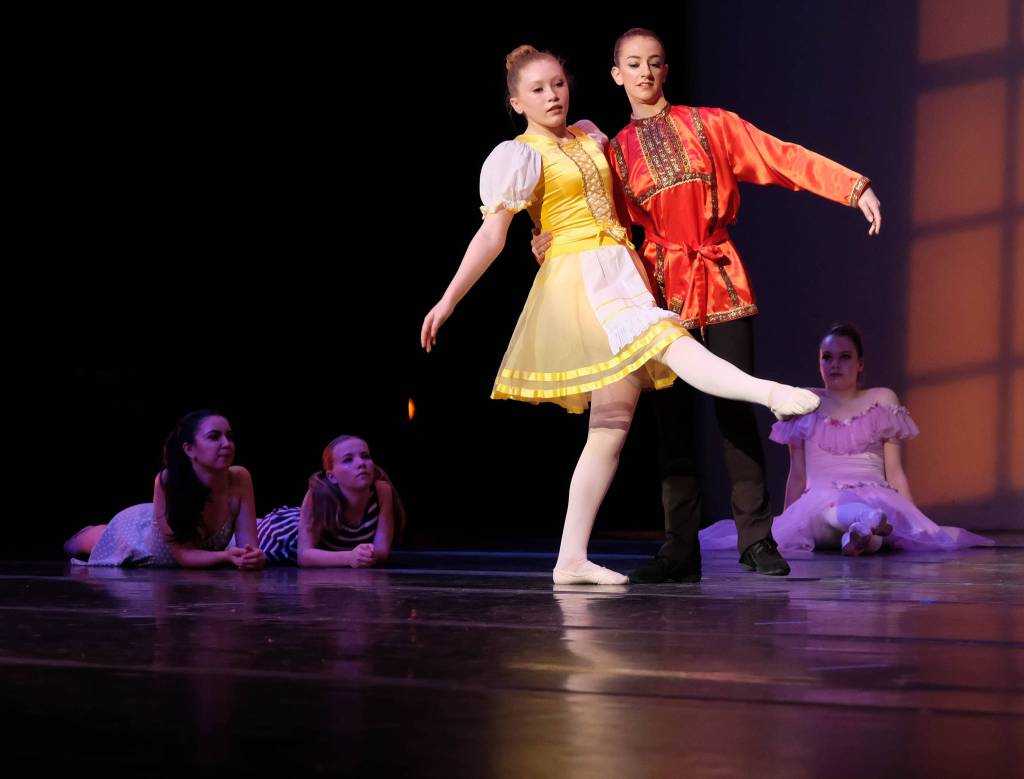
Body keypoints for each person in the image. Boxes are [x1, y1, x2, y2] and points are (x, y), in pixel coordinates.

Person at [420, 45, 820, 585]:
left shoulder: (589, 133)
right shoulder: (517, 156)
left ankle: (570, 559)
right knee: (669, 342)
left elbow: (628, 195)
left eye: (558, 84)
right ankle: (771, 394)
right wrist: (448, 300)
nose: (552, 96)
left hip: (620, 266)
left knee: (611, 426)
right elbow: (493, 234)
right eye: (537, 90)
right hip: (583, 278)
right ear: (516, 102)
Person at [533, 28, 882, 581]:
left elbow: (779, 155)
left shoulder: (709, 125)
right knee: (671, 423)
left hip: (719, 277)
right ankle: (678, 548)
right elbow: (600, 222)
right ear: (616, 74)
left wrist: (851, 187)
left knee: (734, 409)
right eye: (633, 63)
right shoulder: (613, 152)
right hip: (658, 287)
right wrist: (549, 241)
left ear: (664, 70)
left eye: (654, 62)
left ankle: (756, 540)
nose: (645, 72)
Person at [699, 323, 994, 554]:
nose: (835, 364)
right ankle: (864, 524)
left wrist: (916, 521)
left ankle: (859, 537)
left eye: (844, 357)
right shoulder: (805, 401)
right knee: (831, 518)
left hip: (877, 493)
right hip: (821, 501)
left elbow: (895, 472)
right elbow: (798, 474)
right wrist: (786, 524)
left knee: (881, 529)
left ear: (860, 363)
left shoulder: (882, 399)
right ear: (819, 363)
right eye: (827, 357)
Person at [63, 409, 266, 569]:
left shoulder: (240, 478)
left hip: (202, 553)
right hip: (140, 544)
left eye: (229, 437)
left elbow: (249, 548)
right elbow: (184, 556)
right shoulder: (168, 481)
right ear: (189, 449)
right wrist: (225, 557)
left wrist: (252, 557)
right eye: (214, 437)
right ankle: (84, 534)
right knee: (80, 544)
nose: (226, 444)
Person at [256, 435, 401, 567]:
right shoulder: (318, 496)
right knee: (243, 542)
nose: (361, 463)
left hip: (308, 526)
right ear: (332, 476)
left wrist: (369, 555)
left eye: (365, 456)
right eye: (348, 460)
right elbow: (304, 556)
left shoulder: (382, 492)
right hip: (281, 536)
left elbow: (382, 550)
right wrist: (349, 557)